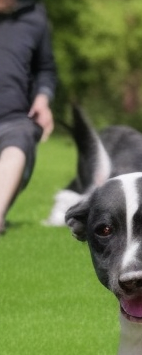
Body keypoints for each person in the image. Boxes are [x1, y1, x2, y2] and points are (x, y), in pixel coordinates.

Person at [0, 0, 56, 234]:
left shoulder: (35, 18)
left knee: (21, 136)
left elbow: (45, 69)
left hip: (13, 118)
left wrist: (42, 99)